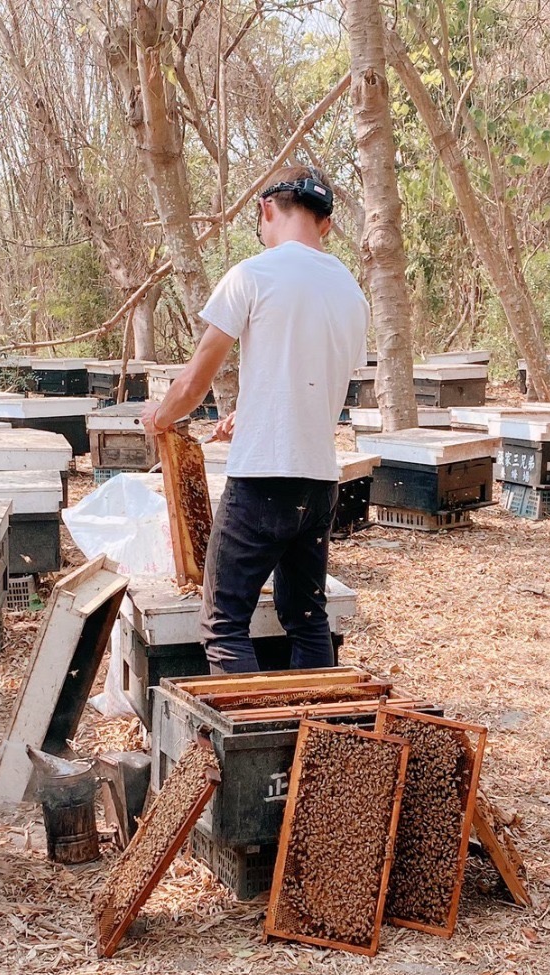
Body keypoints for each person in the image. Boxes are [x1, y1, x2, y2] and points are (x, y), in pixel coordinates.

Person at [142, 165, 369, 673]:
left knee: (224, 621)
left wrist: (160, 416)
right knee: (307, 617)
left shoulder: (253, 274)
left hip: (263, 479)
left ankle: (243, 748)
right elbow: (312, 378)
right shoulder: (353, 294)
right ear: (325, 224)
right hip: (318, 485)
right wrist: (253, 411)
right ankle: (314, 740)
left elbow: (196, 380)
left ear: (267, 210)